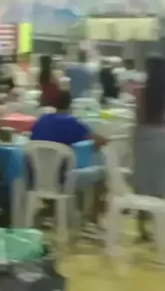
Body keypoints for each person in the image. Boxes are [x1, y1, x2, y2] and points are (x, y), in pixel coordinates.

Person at [29, 90, 107, 227]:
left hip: (37, 176)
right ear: (70, 105)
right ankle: (93, 218)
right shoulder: (74, 123)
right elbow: (100, 141)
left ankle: (52, 208)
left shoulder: (41, 120)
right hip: (64, 178)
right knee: (103, 172)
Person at [131, 55, 165, 241]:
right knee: (160, 184)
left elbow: (139, 117)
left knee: (142, 183)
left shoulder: (142, 91)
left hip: (145, 135)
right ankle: (158, 223)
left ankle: (142, 228)